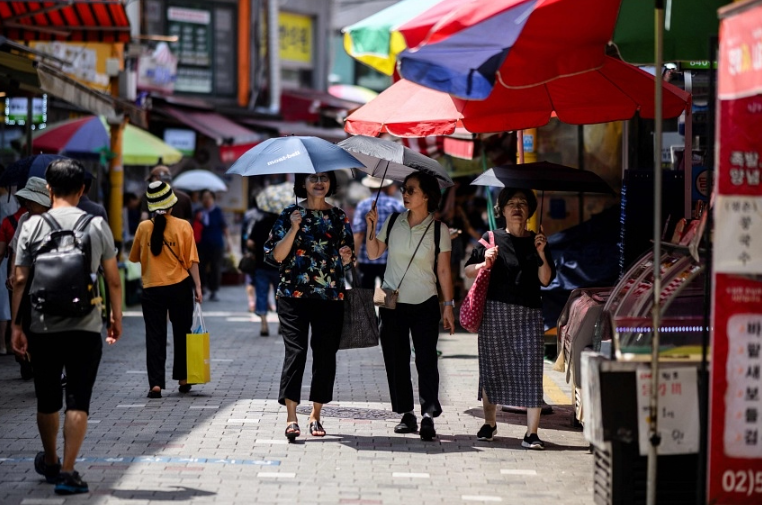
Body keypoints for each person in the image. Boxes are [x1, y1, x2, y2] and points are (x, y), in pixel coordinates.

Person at [11, 159, 122, 495]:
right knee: (77, 400)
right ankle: (68, 472)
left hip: (42, 325)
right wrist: (115, 317)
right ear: (82, 189)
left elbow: (19, 279)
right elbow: (113, 280)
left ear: (48, 189)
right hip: (85, 325)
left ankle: (51, 459)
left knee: (47, 400)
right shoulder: (96, 224)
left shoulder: (31, 225)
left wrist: (16, 326)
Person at [364, 172, 455, 441]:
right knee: (396, 360)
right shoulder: (393, 222)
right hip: (392, 303)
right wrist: (372, 226)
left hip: (425, 301)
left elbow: (444, 271)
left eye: (411, 190)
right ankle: (406, 414)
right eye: (404, 189)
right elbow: (373, 253)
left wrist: (447, 305)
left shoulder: (440, 230)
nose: (405, 193)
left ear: (426, 196)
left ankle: (428, 414)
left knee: (426, 359)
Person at [263, 172, 353, 441]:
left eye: (324, 178)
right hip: (293, 295)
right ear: (302, 183)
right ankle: (292, 417)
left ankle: (316, 415)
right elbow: (276, 256)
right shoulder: (289, 213)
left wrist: (346, 256)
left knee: (325, 354)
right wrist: (293, 228)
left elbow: (347, 257)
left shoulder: (339, 216)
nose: (318, 182)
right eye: (312, 178)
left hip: (330, 297)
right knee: (297, 352)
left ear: (330, 183)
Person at [464, 187, 555, 449]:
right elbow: (468, 270)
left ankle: (531, 433)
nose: (517, 207)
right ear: (502, 210)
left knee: (531, 370)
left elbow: (546, 279)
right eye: (511, 203)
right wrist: (484, 263)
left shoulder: (538, 241)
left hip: (529, 314)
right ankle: (490, 423)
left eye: (522, 203)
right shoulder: (490, 239)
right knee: (492, 369)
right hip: (495, 312)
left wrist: (540, 253)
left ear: (529, 211)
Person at [129, 181, 202, 399]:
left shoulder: (143, 227)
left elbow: (135, 258)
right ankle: (183, 378)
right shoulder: (183, 226)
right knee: (182, 333)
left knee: (155, 336)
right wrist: (198, 286)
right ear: (171, 204)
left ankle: (156, 385)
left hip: (152, 288)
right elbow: (192, 260)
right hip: (179, 286)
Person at [1, 178, 52, 375]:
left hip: (52, 281)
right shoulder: (24, 220)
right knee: (31, 326)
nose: (27, 204)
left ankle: (53, 369)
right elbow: (16, 249)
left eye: (32, 200)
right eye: (27, 200)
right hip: (29, 279)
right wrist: (14, 272)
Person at [352, 176, 405, 288]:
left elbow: (359, 234)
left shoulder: (363, 205)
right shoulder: (396, 205)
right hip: (389, 259)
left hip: (366, 259)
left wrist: (354, 257)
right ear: (386, 186)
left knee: (365, 296)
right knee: (387, 298)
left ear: (370, 187)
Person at [244, 204, 279, 336]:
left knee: (262, 294)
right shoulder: (283, 225)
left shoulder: (259, 223)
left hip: (261, 264)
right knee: (280, 295)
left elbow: (250, 242)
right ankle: (281, 324)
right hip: (278, 266)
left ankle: (264, 324)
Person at [197, 190, 231, 302]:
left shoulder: (217, 211)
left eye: (209, 197)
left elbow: (224, 227)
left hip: (216, 244)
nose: (206, 200)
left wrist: (229, 242)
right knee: (200, 266)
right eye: (204, 197)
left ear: (213, 199)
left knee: (215, 267)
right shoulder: (198, 212)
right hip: (201, 244)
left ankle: (214, 290)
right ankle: (202, 287)